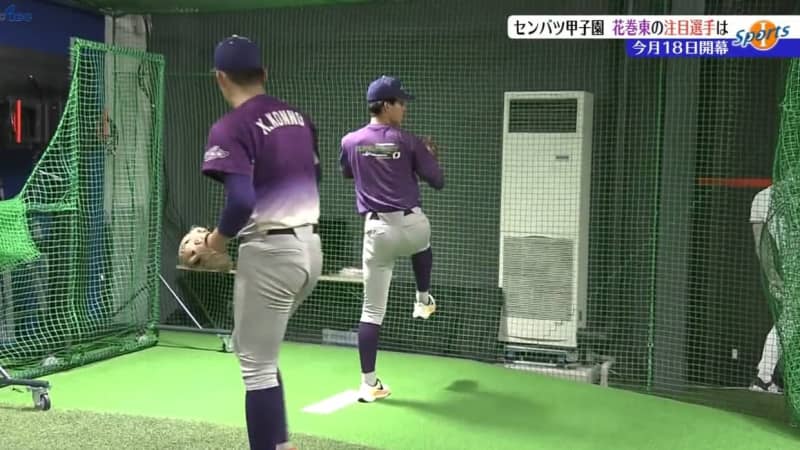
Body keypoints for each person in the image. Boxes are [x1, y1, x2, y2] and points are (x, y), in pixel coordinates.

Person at [201, 34, 322, 449]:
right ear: (263, 73)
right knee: (260, 355)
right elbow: (314, 176)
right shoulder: (298, 118)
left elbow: (241, 200)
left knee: (255, 366)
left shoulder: (230, 126)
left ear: (220, 78)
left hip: (272, 251)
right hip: (310, 248)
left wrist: (216, 242)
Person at [339, 75, 444, 402]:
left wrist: (376, 161)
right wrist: (428, 157)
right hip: (412, 226)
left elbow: (347, 171)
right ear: (386, 105)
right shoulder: (409, 141)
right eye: (401, 102)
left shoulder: (350, 141)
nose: (404, 108)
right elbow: (437, 180)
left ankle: (368, 385)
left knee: (371, 312)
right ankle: (423, 299)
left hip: (377, 232)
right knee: (422, 242)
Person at [749, 185, 783, 394]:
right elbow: (760, 244)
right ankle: (763, 377)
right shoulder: (763, 198)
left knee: (788, 322)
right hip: (788, 270)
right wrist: (773, 275)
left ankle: (763, 376)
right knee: (788, 322)